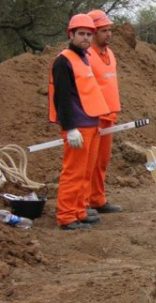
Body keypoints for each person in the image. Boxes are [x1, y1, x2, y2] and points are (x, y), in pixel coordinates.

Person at [49, 14, 110, 230]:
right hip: (78, 127)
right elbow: (62, 98)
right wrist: (70, 127)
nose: (85, 38)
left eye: (88, 34)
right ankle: (66, 216)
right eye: (81, 34)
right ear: (71, 34)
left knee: (85, 173)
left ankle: (79, 211)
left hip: (91, 124)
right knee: (73, 173)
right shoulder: (63, 61)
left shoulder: (84, 58)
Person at [86, 9, 122, 214]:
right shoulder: (86, 55)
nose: (108, 34)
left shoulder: (109, 54)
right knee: (87, 163)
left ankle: (97, 199)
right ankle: (83, 203)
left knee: (101, 162)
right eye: (103, 30)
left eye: (109, 30)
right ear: (93, 32)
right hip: (92, 117)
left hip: (109, 116)